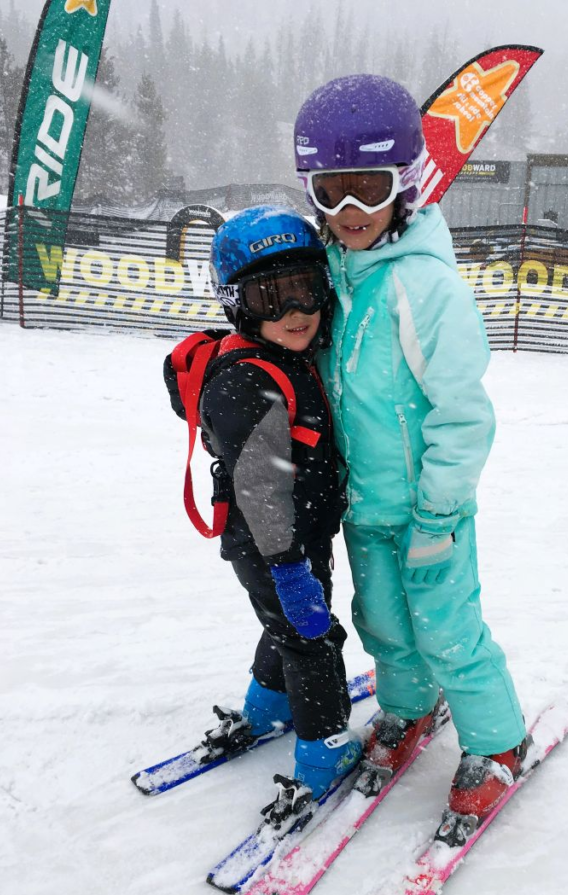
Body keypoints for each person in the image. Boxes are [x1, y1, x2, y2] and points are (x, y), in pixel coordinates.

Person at [293, 75, 527, 823]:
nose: (351, 212)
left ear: (409, 185)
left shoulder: (429, 290)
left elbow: (462, 415)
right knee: (384, 623)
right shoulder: (332, 277)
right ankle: (408, 706)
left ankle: (496, 738)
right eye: (332, 192)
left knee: (450, 628)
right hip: (364, 505)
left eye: (368, 189)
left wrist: (439, 509)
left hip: (431, 510)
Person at [163, 205, 362, 804]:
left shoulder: (279, 359)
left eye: (304, 290)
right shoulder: (249, 380)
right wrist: (289, 567)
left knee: (285, 628)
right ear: (237, 303)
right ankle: (324, 748)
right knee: (312, 637)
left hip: (287, 541)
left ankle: (267, 703)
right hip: (276, 544)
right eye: (269, 295)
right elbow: (259, 488)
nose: (294, 312)